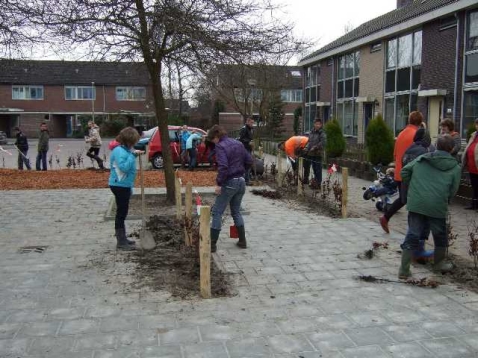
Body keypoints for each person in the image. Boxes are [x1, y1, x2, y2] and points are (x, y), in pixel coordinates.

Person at [398, 136, 461, 279]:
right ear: (452, 149)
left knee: (413, 234)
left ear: (436, 146)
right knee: (440, 236)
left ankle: (404, 270)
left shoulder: (422, 159)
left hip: (417, 202)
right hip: (437, 205)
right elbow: (453, 189)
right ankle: (438, 264)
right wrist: (445, 198)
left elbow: (404, 172)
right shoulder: (455, 168)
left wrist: (415, 187)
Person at [208, 125, 252, 252]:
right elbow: (249, 160)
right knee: (236, 211)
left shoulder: (220, 146)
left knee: (217, 212)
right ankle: (242, 241)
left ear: (216, 137)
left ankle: (212, 245)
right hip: (241, 181)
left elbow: (223, 166)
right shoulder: (238, 143)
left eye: (213, 140)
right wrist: (243, 171)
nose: (213, 143)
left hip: (229, 183)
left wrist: (219, 183)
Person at [379, 111, 423, 234]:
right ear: (420, 122)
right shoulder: (417, 135)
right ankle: (413, 232)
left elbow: (395, 154)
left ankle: (386, 218)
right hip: (410, 173)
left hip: (399, 172)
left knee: (404, 199)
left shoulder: (401, 133)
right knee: (412, 202)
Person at [401, 127, 435, 261]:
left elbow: (405, 171)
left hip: (409, 190)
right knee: (421, 222)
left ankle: (413, 250)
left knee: (414, 220)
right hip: (421, 191)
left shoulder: (408, 149)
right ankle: (415, 250)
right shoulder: (426, 152)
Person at [109, 127, 143, 251]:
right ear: (128, 140)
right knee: (121, 213)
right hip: (119, 185)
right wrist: (133, 155)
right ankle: (121, 241)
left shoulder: (125, 150)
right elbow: (123, 168)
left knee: (122, 212)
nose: (134, 144)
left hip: (124, 185)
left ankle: (123, 238)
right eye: (133, 141)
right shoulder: (119, 151)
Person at [303, 118, 326, 185]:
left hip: (318, 154)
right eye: (316, 124)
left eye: (319, 124)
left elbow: (323, 142)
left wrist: (316, 147)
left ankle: (318, 183)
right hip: (311, 154)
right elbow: (309, 142)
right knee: (314, 169)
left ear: (321, 125)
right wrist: (306, 148)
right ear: (314, 124)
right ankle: (315, 182)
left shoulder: (322, 133)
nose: (317, 125)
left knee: (318, 169)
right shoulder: (311, 132)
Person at [462, 118, 478, 211]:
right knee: (474, 186)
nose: (477, 126)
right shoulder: (474, 135)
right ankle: (474, 204)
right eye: (476, 124)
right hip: (472, 167)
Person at [238, 117, 254, 184]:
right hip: (245, 149)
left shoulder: (250, 129)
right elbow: (241, 139)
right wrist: (248, 142)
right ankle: (246, 180)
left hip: (249, 148)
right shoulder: (244, 129)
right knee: (247, 163)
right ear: (247, 122)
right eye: (251, 122)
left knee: (248, 164)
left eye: (253, 123)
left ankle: (247, 179)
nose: (252, 124)